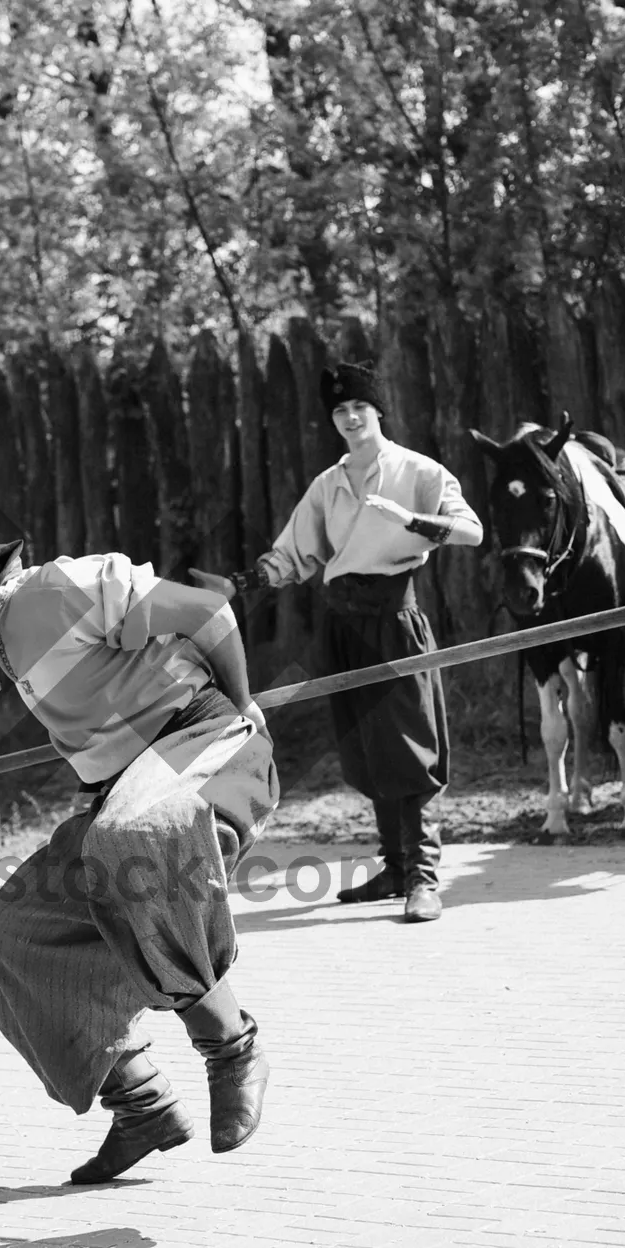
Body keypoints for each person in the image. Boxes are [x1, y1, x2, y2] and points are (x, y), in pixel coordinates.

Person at [0, 521, 279, 1185]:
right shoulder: (7, 643)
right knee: (11, 936)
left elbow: (206, 609)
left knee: (127, 841)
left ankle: (231, 1047)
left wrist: (244, 708)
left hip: (203, 745)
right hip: (125, 793)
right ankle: (141, 1105)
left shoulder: (49, 592)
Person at [193, 361, 482, 923]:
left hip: (394, 618)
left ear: (378, 412)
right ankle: (395, 868)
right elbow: (295, 555)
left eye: (359, 409)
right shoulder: (328, 485)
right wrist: (238, 584)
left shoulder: (418, 471)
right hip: (343, 624)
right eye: (340, 411)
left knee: (411, 747)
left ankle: (424, 877)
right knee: (367, 750)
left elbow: (471, 531)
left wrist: (412, 519)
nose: (350, 419)